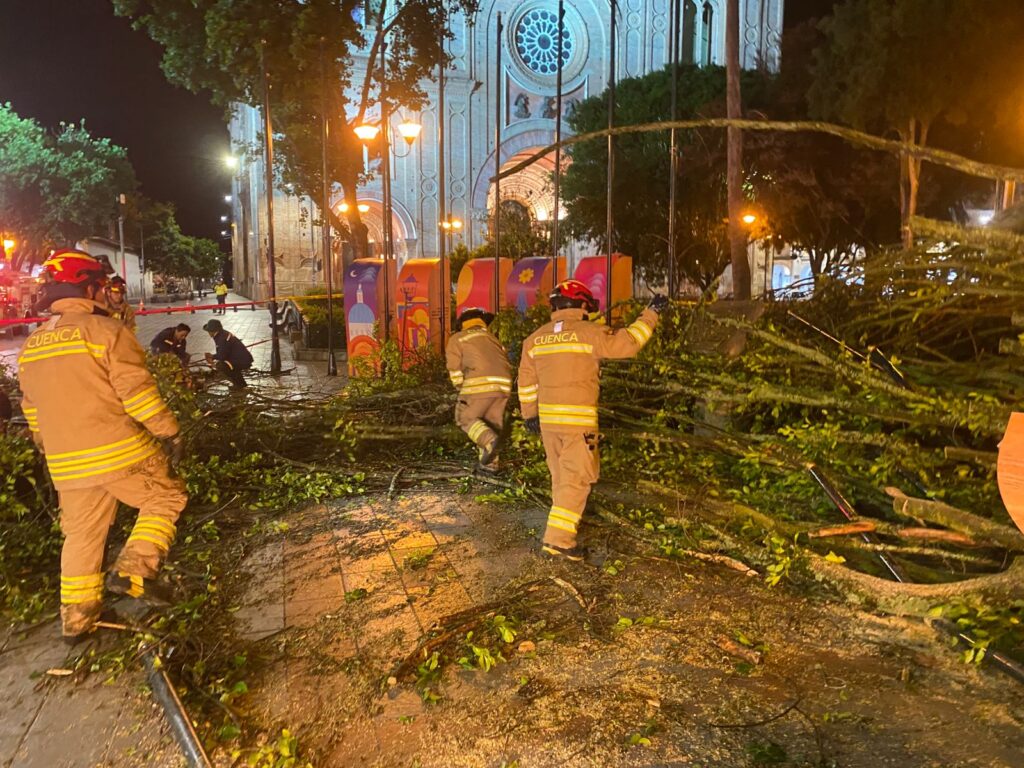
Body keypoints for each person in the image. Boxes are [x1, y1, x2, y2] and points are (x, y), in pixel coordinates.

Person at [17, 249, 187, 643]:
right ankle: (134, 569)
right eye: (101, 286)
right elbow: (137, 396)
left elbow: (33, 413)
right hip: (119, 450)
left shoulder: (32, 345)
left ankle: (76, 622)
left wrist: (51, 451)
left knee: (81, 536)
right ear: (89, 287)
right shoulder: (106, 333)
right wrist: (170, 432)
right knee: (166, 497)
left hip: (66, 463)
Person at [517, 280, 667, 560]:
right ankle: (558, 540)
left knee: (562, 479)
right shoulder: (589, 333)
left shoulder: (534, 339)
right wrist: (651, 313)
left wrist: (530, 415)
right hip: (578, 424)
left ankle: (563, 526)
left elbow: (526, 381)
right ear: (582, 305)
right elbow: (629, 343)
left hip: (548, 424)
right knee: (576, 480)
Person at [445, 307, 512, 471]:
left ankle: (490, 441)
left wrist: (460, 387)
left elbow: (454, 367)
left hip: (479, 382)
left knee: (465, 417)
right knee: (490, 423)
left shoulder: (458, 338)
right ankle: (491, 463)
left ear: (462, 324)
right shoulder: (492, 338)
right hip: (504, 384)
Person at [202, 318, 253, 389]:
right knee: (227, 364)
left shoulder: (222, 338)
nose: (208, 333)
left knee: (221, 365)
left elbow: (222, 356)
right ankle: (241, 383)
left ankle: (238, 384)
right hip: (239, 358)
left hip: (242, 360)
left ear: (213, 331)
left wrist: (212, 357)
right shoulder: (221, 334)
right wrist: (213, 356)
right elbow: (223, 352)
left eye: (209, 331)